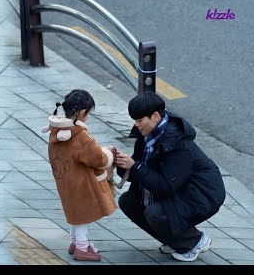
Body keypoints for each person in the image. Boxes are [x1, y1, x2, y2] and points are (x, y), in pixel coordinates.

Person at [115, 91, 225, 262]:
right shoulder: (147, 136)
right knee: (129, 201)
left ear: (155, 116)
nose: (136, 125)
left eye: (139, 120)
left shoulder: (178, 144)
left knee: (155, 213)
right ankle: (174, 240)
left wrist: (134, 166)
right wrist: (122, 164)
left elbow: (165, 187)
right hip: (180, 189)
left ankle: (194, 241)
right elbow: (137, 174)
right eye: (134, 120)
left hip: (202, 195)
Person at [41, 89, 117, 261]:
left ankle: (74, 242)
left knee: (74, 212)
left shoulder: (56, 132)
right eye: (89, 113)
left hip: (65, 181)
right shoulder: (80, 136)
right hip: (82, 184)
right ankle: (82, 248)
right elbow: (97, 158)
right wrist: (109, 155)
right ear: (83, 112)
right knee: (83, 214)